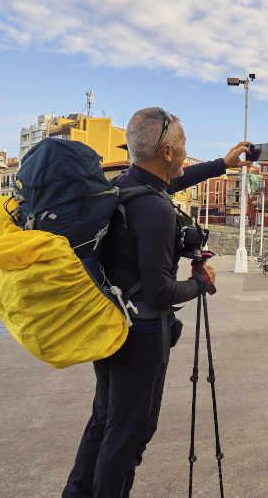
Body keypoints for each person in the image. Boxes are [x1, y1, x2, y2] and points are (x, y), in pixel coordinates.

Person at [63, 107, 250, 497]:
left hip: (112, 322)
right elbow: (160, 292)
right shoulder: (156, 209)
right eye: (182, 145)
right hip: (144, 334)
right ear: (167, 152)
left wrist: (222, 164)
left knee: (104, 420)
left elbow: (170, 184)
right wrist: (201, 283)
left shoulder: (126, 187)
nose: (186, 152)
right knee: (130, 433)